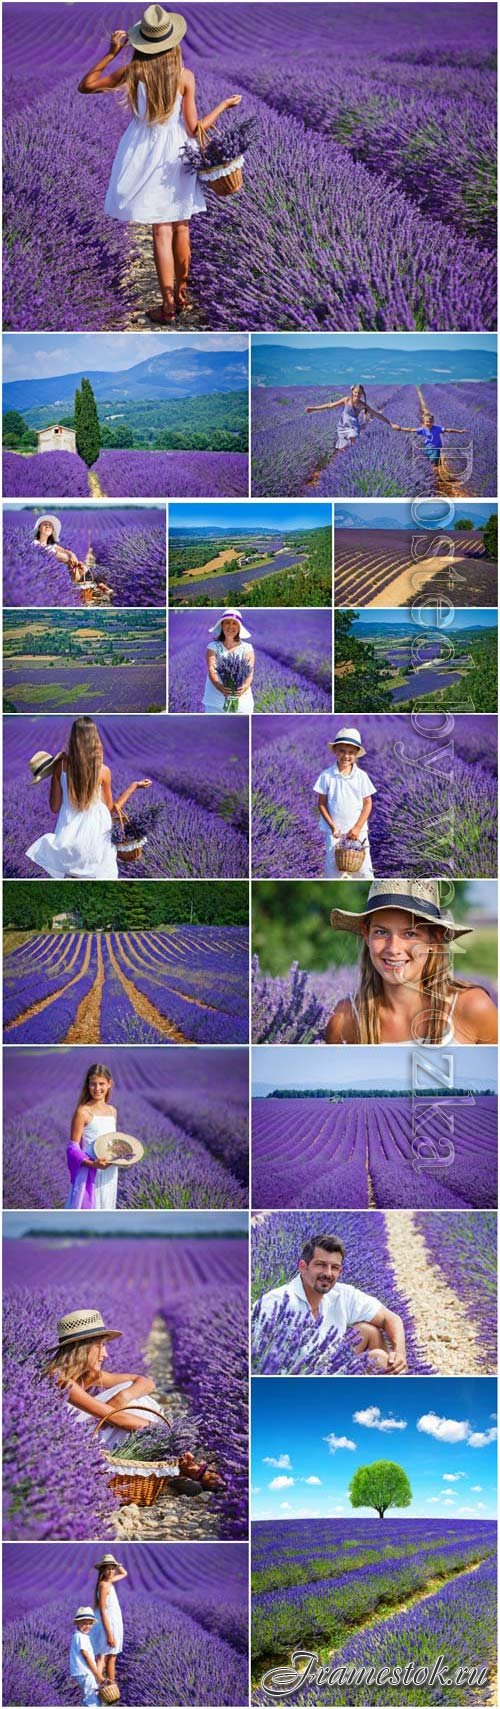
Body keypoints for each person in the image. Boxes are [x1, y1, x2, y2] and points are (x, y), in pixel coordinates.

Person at [78, 5, 243, 323]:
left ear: (142, 43)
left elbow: (86, 86)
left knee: (160, 232)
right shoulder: (184, 76)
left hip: (142, 152)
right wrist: (223, 106)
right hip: (177, 153)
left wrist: (112, 52)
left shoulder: (133, 72)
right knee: (181, 226)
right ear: (172, 42)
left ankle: (167, 308)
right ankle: (180, 298)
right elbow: (195, 129)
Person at [325, 878, 498, 1045]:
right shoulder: (344, 1019)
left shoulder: (472, 1007)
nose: (393, 948)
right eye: (381, 932)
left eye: (410, 934)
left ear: (434, 940)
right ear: (366, 934)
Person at [253, 1234, 407, 1373]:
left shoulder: (343, 1294)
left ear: (340, 1272)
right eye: (320, 1265)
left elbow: (391, 1318)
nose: (327, 1273)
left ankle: (383, 1386)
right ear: (303, 1267)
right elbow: (257, 1359)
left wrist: (399, 1354)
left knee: (369, 1331)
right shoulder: (275, 1304)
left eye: (334, 1267)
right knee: (378, 1358)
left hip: (330, 1366)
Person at [25, 716, 152, 880]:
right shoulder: (103, 771)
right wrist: (133, 786)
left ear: (73, 739)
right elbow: (111, 809)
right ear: (95, 739)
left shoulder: (60, 766)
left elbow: (55, 807)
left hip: (68, 841)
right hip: (98, 844)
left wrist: (57, 779)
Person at [313, 727, 376, 878]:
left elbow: (368, 803)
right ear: (335, 751)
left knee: (364, 871)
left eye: (351, 752)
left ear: (356, 755)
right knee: (332, 870)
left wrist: (357, 827)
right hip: (334, 832)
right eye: (342, 751)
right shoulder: (326, 776)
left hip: (358, 832)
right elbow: (321, 803)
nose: (346, 756)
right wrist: (333, 827)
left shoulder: (361, 776)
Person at [67, 1065, 118, 1212]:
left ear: (109, 1084)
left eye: (101, 1084)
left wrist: (123, 1158)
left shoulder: (112, 1111)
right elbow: (72, 1147)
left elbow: (112, 1143)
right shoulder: (83, 1111)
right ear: (87, 1085)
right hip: (90, 1171)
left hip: (109, 1171)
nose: (97, 1088)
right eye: (93, 1084)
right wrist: (92, 1163)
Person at [33, 516, 113, 600]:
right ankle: (102, 589)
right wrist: (72, 561)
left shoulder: (52, 545)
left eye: (50, 525)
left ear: (53, 531)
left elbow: (67, 552)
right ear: (39, 528)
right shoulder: (35, 543)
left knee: (88, 570)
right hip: (47, 574)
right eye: (45, 524)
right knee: (85, 570)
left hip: (67, 573)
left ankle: (100, 588)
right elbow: (57, 556)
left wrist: (72, 556)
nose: (48, 526)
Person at [305, 384, 399, 453]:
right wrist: (313, 409)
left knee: (353, 437)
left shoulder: (362, 405)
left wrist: (390, 423)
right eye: (355, 392)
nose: (357, 395)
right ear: (352, 392)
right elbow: (330, 405)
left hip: (353, 426)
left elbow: (377, 414)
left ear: (362, 394)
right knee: (342, 448)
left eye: (359, 393)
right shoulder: (346, 400)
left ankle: (356, 454)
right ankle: (347, 460)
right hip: (342, 425)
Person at [203, 609, 255, 713]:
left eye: (234, 623)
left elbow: (250, 672)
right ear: (222, 625)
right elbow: (211, 669)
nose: (231, 626)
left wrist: (244, 687)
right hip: (215, 700)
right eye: (227, 622)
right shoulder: (213, 646)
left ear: (239, 627)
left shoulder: (247, 648)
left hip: (242, 701)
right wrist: (220, 686)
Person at [93, 1557, 127, 1694]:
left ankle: (106, 1686)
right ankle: (103, 1686)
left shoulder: (108, 1582)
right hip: (109, 1624)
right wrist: (109, 1633)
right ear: (102, 1569)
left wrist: (118, 1565)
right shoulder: (104, 1585)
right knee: (105, 1657)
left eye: (113, 1568)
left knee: (109, 1656)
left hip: (114, 1623)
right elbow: (102, 1610)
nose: (111, 1570)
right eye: (108, 1568)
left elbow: (124, 1573)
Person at [393, 411, 463, 468]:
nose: (428, 423)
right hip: (427, 447)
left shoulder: (437, 428)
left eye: (430, 422)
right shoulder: (423, 429)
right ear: (424, 422)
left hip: (436, 447)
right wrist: (401, 428)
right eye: (427, 422)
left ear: (433, 422)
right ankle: (436, 465)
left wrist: (459, 431)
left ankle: (436, 465)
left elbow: (448, 430)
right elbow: (411, 430)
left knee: (433, 459)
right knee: (428, 461)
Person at [69, 1607, 103, 1708]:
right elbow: (86, 1656)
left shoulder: (80, 1636)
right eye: (84, 1623)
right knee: (92, 1700)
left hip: (82, 1672)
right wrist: (97, 1674)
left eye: (90, 1623)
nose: (87, 1626)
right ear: (77, 1623)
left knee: (87, 1698)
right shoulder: (80, 1637)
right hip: (85, 1673)